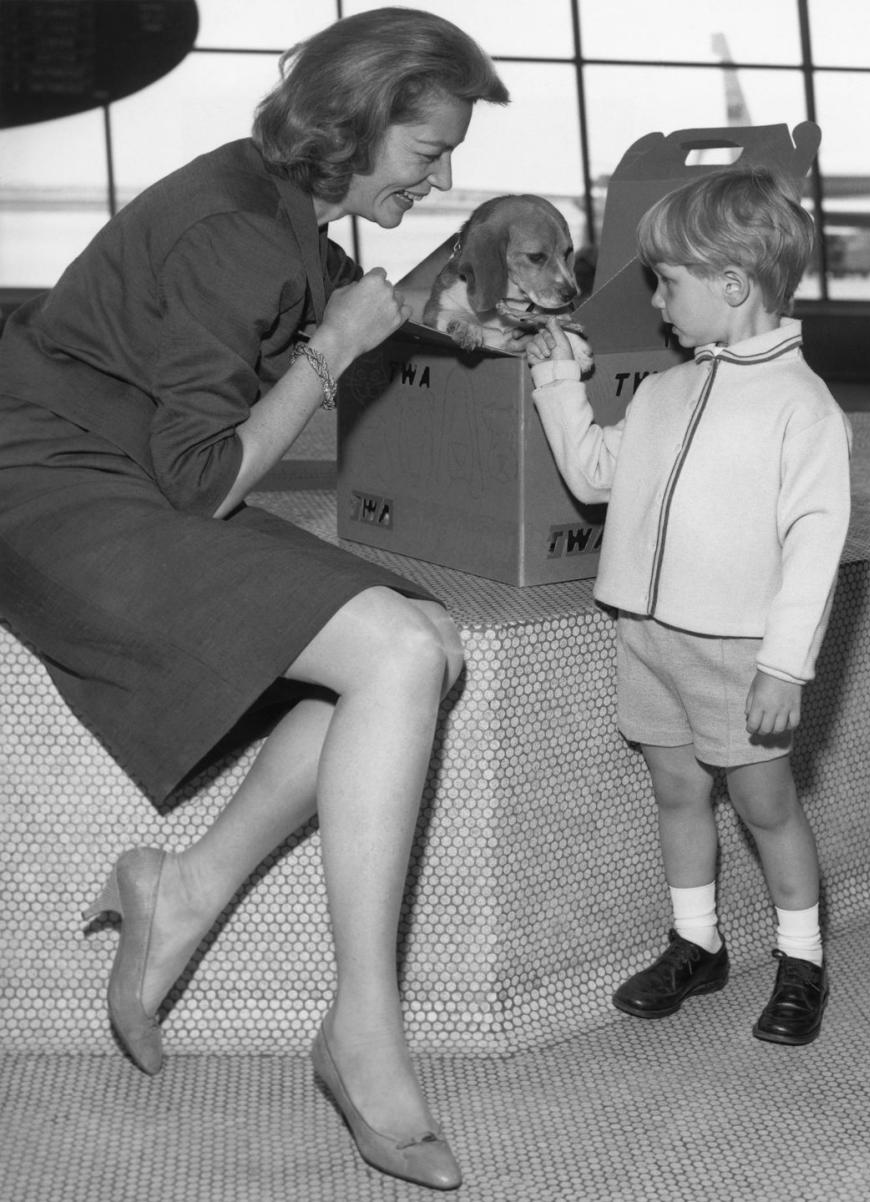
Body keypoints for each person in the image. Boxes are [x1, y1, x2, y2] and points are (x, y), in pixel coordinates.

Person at [0, 8, 508, 1191]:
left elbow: (341, 330)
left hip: (117, 461)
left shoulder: (284, 210)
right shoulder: (238, 231)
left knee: (428, 641)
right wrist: (330, 352)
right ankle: (362, 1027)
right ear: (358, 125)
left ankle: (184, 884)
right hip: (50, 482)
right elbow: (205, 479)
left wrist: (436, 317)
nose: (442, 176)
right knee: (392, 645)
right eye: (430, 152)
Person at [525, 166, 851, 1047]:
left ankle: (801, 959)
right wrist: (560, 387)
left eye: (668, 282)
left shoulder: (802, 409)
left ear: (733, 285)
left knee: (766, 805)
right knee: (677, 791)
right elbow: (596, 476)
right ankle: (696, 945)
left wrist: (786, 664)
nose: (658, 302)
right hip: (647, 636)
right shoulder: (667, 391)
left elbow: (817, 546)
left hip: (740, 650)